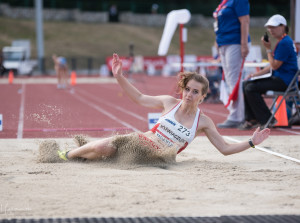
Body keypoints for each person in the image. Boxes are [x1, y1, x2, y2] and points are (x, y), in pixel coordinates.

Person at [57, 53, 270, 162]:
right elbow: (139, 98)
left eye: (195, 92)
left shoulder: (203, 122)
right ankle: (69, 155)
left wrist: (251, 142)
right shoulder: (169, 102)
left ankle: (82, 154)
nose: (189, 94)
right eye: (187, 89)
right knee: (105, 149)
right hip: (141, 142)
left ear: (203, 97)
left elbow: (224, 149)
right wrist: (119, 77)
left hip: (160, 158)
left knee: (108, 151)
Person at [239, 14, 298, 130]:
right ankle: (252, 119)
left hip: (285, 81)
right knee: (246, 84)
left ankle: (266, 119)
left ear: (283, 26)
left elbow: (274, 66)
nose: (271, 30)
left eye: (274, 27)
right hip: (280, 79)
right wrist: (255, 75)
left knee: (250, 87)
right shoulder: (283, 41)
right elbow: (273, 65)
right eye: (269, 27)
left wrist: (268, 49)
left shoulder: (284, 43)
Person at [213, 0, 251, 128]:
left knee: (234, 79)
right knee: (230, 80)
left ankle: (237, 116)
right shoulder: (224, 2)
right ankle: (236, 113)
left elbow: (245, 20)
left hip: (235, 42)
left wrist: (244, 44)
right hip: (224, 42)